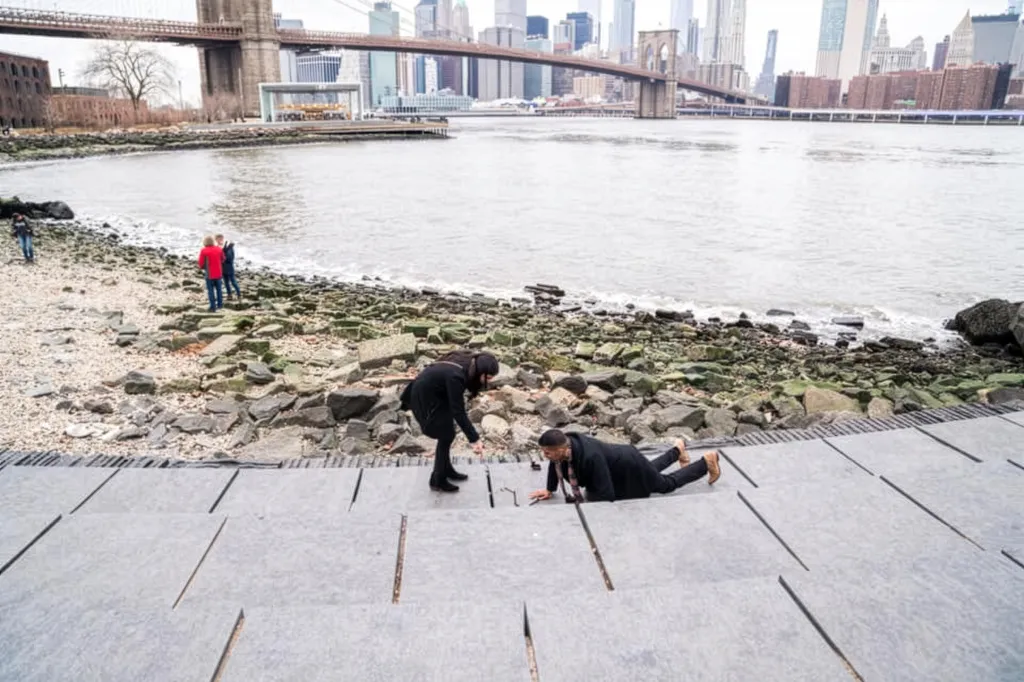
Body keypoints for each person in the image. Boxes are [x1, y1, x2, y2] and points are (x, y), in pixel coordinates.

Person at [400, 350, 500, 493]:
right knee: (445, 435)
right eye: (488, 377)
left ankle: (446, 469)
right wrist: (474, 439)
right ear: (480, 372)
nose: (488, 381)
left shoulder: (468, 363)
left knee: (448, 433)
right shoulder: (456, 376)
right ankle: (437, 480)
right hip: (425, 399)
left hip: (438, 393)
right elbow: (458, 411)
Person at [529, 430, 721, 504]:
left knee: (664, 485)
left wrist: (591, 509)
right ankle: (678, 450)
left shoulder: (590, 457)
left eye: (548, 452)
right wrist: (549, 489)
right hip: (621, 464)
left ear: (562, 448)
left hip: (629, 463)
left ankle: (706, 462)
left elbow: (606, 493)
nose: (545, 456)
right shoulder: (565, 450)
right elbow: (556, 466)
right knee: (651, 471)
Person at [197, 235, 224, 312]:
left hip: (210, 274)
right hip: (218, 273)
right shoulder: (218, 249)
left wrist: (203, 267)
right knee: (219, 290)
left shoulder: (204, 251)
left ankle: (212, 307)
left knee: (211, 291)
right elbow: (223, 259)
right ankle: (220, 305)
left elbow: (201, 263)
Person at [215, 234, 241, 300]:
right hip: (222, 267)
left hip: (229, 267)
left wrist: (224, 252)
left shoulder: (228, 247)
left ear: (222, 238)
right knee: (226, 283)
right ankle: (229, 295)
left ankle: (239, 294)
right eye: (217, 240)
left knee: (233, 281)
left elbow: (230, 258)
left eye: (220, 239)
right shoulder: (217, 247)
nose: (218, 241)